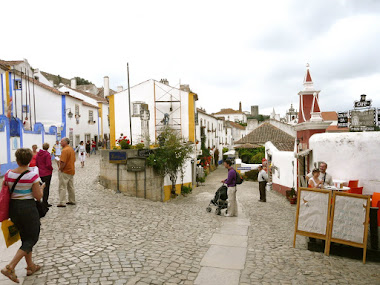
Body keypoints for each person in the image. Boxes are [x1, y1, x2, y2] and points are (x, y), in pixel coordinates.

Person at [1, 148, 45, 283]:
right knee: (32, 237)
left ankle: (30, 266)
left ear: (17, 160)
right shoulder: (32, 176)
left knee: (25, 237)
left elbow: (5, 187)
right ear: (29, 160)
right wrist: (42, 188)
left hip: (14, 208)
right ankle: (10, 266)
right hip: (28, 208)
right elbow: (38, 197)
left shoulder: (8, 174)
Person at [57, 137, 76, 207]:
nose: (60, 143)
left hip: (65, 171)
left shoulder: (65, 150)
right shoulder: (71, 149)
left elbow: (63, 162)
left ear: (65, 142)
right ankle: (72, 200)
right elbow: (74, 159)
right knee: (71, 186)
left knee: (62, 186)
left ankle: (62, 202)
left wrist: (60, 168)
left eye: (61, 141)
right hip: (71, 170)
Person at [36, 143, 53, 207]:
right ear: (48, 147)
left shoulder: (38, 154)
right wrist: (51, 169)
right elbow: (48, 164)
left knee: (43, 186)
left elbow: (36, 163)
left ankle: (42, 200)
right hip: (47, 172)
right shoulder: (47, 154)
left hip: (41, 172)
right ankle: (45, 202)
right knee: (46, 188)